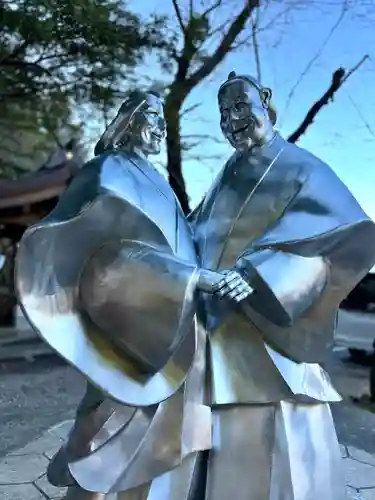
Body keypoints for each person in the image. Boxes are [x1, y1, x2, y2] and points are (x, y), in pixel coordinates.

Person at [16, 89, 214, 500]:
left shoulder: (160, 183)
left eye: (163, 120)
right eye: (153, 118)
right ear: (129, 122)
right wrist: (188, 277)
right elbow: (107, 245)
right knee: (108, 407)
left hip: (169, 311)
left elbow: (179, 243)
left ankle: (95, 472)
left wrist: (192, 278)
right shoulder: (106, 169)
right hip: (122, 309)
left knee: (147, 424)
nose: (160, 128)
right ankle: (82, 468)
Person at [189, 71, 375, 500]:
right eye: (223, 113)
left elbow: (335, 235)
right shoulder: (226, 173)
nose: (232, 119)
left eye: (240, 106)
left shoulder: (303, 168)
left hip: (270, 330)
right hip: (215, 329)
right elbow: (198, 230)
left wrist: (256, 274)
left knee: (280, 449)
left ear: (265, 100)